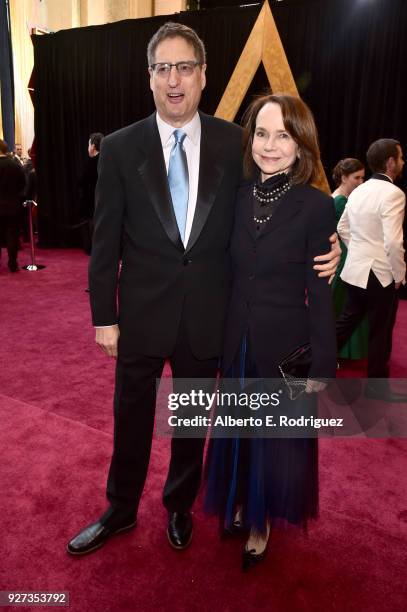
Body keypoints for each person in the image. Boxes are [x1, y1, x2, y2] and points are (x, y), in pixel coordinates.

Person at [67, 23, 340, 557]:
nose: (175, 80)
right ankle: (120, 508)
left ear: (204, 76)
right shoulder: (121, 149)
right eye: (163, 68)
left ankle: (178, 506)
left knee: (191, 424)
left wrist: (335, 248)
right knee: (131, 420)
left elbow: (278, 209)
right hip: (141, 315)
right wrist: (104, 315)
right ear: (149, 77)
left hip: (207, 318)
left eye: (185, 67)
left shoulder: (235, 142)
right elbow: (104, 243)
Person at [204, 93, 338, 571]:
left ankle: (260, 523)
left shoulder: (317, 207)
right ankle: (240, 503)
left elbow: (320, 292)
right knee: (238, 432)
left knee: (273, 438)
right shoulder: (234, 197)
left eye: (284, 135)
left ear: (301, 145)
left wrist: (323, 362)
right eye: (262, 133)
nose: (270, 145)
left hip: (286, 345)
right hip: (235, 338)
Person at [336, 139, 407, 402]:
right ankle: (377, 388)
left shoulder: (359, 191)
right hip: (381, 275)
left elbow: (343, 228)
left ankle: (309, 366)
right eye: (400, 158)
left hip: (356, 270)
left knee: (344, 324)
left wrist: (359, 252)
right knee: (380, 332)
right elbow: (392, 242)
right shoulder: (394, 194)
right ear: (389, 162)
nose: (402, 162)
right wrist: (400, 276)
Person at [331, 158, 368, 359]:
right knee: (342, 304)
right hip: (345, 256)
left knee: (342, 304)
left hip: (345, 254)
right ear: (344, 178)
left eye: (363, 177)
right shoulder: (340, 201)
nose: (361, 182)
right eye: (357, 177)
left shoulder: (342, 198)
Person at [0, 139, 27, 272]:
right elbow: (23, 184)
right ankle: (12, 264)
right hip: (13, 206)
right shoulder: (15, 166)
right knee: (12, 236)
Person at [79, 132, 104, 255]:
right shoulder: (106, 161)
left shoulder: (90, 164)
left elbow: (82, 183)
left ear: (93, 146)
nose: (88, 147)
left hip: (92, 206)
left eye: (89, 144)